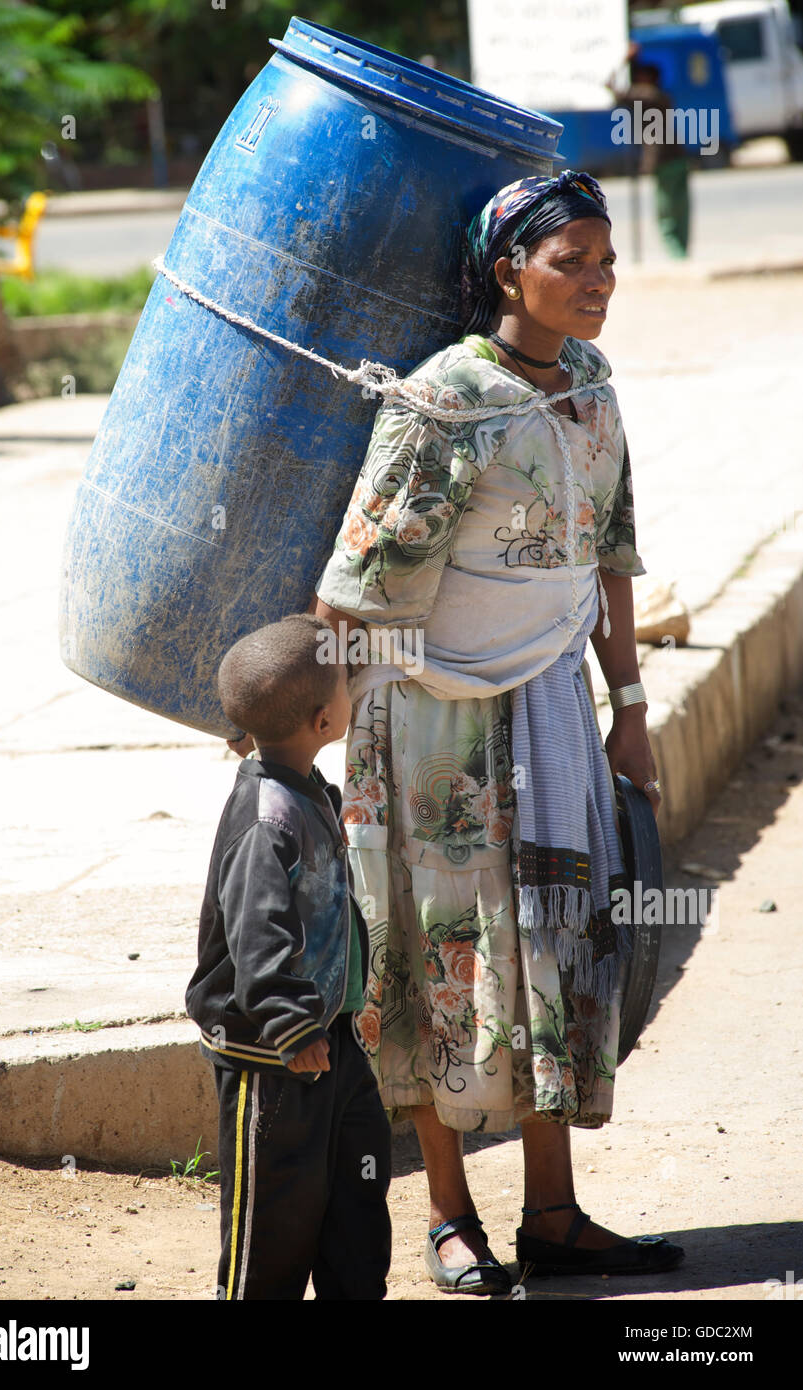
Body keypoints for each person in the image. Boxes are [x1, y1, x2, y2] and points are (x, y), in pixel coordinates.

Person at [310, 170, 685, 1294]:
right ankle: (448, 1215)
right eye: (569, 259)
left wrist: (629, 710)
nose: (596, 281)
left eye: (605, 260)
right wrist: (323, 735)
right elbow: (355, 586)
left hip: (554, 712)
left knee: (552, 945)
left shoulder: (593, 386)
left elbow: (609, 555)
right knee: (439, 954)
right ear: (506, 269)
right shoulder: (444, 401)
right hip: (430, 726)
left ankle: (554, 1212)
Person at [186, 612, 392, 1300]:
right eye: (343, 682)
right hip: (270, 1058)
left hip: (329, 1045)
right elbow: (256, 933)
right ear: (322, 718)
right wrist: (290, 1023)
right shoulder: (266, 821)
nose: (350, 689)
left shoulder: (306, 789)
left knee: (354, 1203)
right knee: (271, 1222)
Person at [609, 48, 691, 259]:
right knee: (680, 211)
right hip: (678, 158)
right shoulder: (661, 96)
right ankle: (682, 254)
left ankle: (677, 256)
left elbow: (611, 85)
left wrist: (623, 61)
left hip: (663, 162)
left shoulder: (647, 96)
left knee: (666, 215)